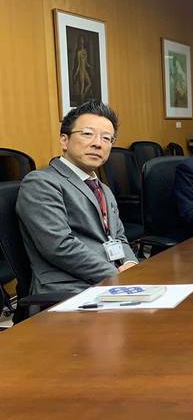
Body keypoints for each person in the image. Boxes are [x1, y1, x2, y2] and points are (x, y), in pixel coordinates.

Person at [16, 101, 137, 295]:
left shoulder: (103, 189)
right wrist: (116, 276)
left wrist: (131, 266)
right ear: (64, 140)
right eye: (88, 134)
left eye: (107, 138)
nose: (98, 143)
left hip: (110, 283)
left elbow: (119, 237)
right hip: (69, 289)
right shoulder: (41, 182)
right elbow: (59, 246)